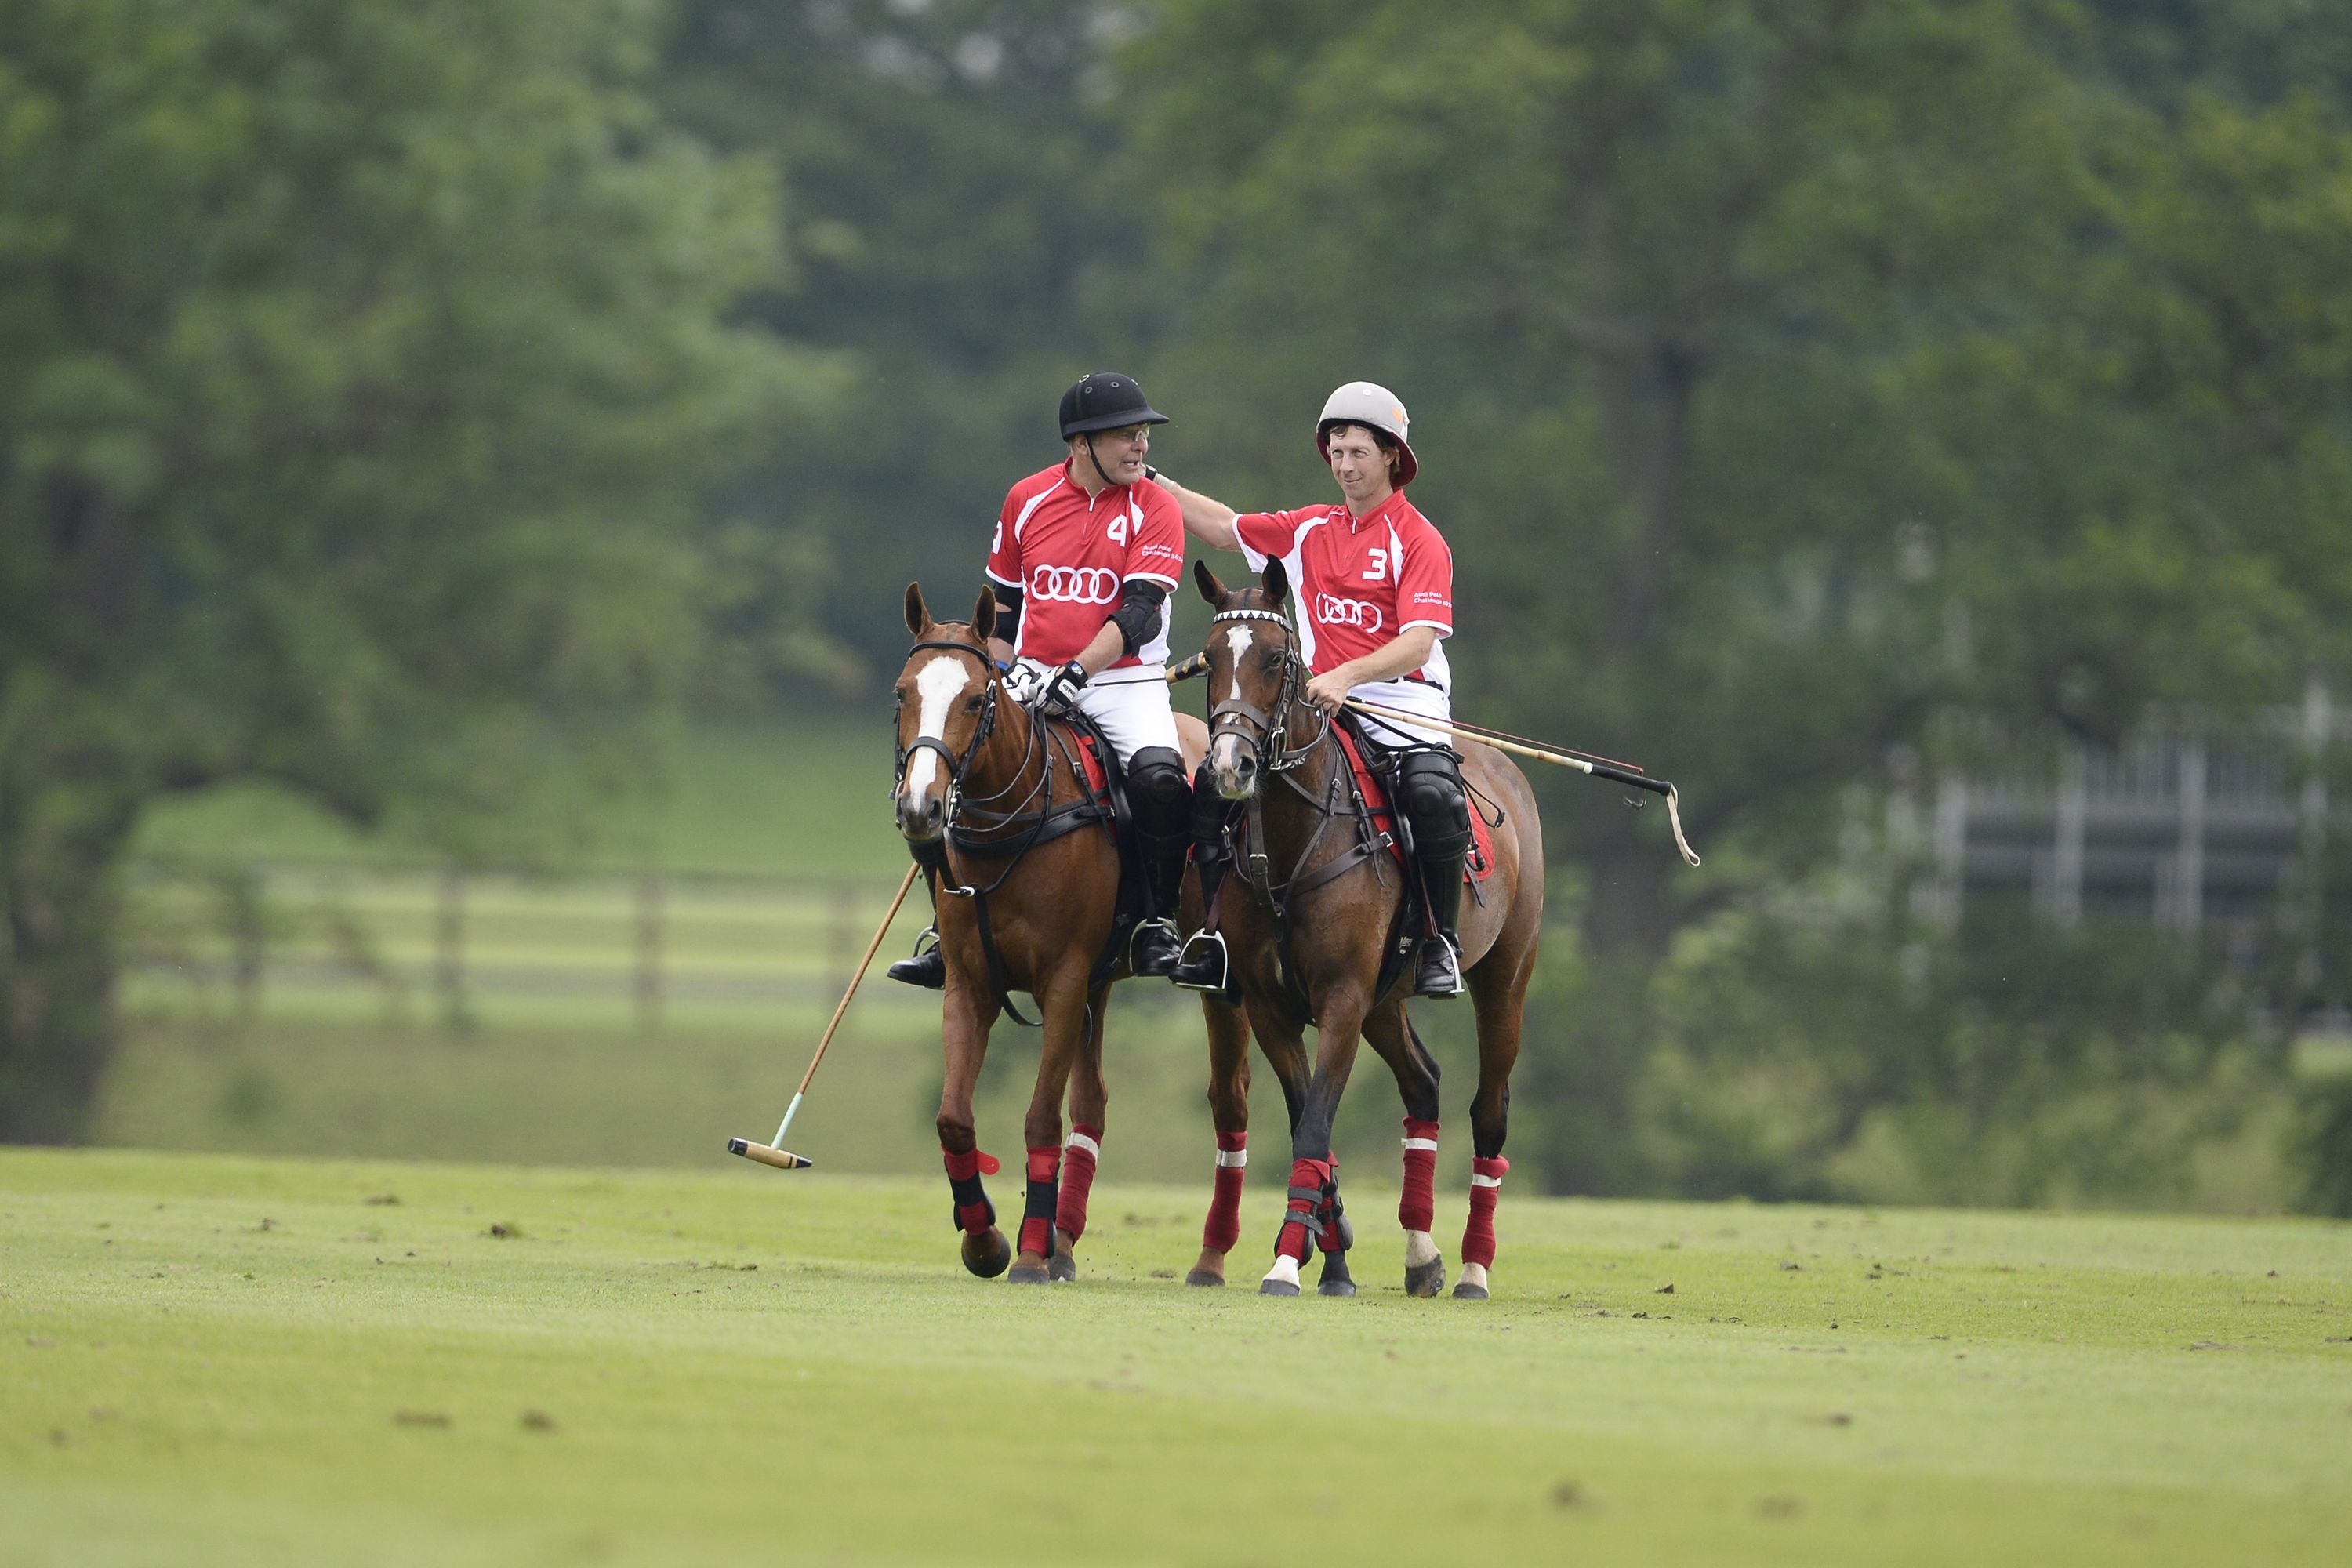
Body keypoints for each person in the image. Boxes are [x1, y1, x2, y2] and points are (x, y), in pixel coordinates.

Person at [1153, 380, 1473, 998]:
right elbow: (1220, 528)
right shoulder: (1307, 529)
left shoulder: (1419, 539)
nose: (1345, 465)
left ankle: (1440, 942)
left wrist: (1347, 674)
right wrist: (1148, 480)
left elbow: (1420, 642)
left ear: (1390, 457)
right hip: (1315, 707)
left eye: (1358, 452)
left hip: (1403, 704)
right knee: (1216, 787)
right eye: (1336, 453)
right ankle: (1212, 935)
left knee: (1435, 796)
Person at [887, 371, 1193, 986]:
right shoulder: (1026, 499)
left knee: (1161, 780)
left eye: (1143, 435)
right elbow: (1004, 610)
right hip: (1030, 675)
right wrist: (995, 674)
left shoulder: (1156, 507)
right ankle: (947, 931)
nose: (1141, 447)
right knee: (950, 766)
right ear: (1081, 445)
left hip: (1123, 681)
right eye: (1126, 436)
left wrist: (1079, 671)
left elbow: (1138, 612)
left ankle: (1156, 923)